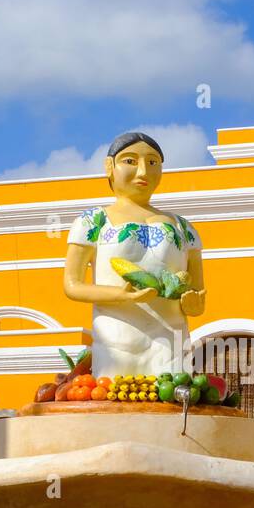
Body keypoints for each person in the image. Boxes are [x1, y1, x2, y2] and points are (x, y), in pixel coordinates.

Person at [63, 132, 206, 378]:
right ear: (109, 167)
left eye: (152, 163)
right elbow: (72, 285)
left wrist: (194, 303)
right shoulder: (93, 221)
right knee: (115, 410)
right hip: (116, 343)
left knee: (173, 409)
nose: (143, 172)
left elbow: (199, 292)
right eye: (130, 161)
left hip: (170, 344)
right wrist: (120, 295)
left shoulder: (184, 227)